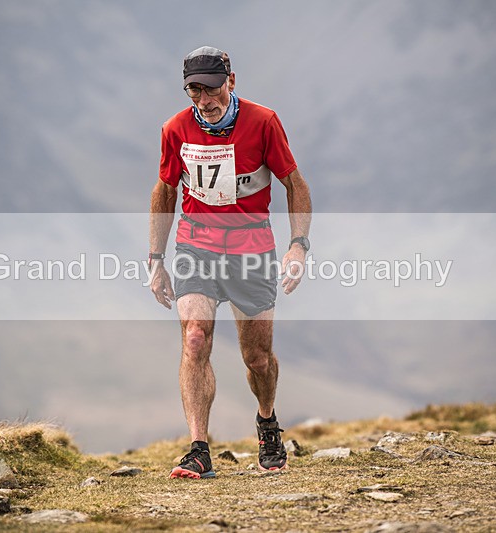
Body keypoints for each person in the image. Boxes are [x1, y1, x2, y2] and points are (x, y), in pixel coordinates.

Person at [148, 46, 312, 479]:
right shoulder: (175, 129)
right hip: (195, 247)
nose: (205, 99)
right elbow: (164, 192)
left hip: (251, 249)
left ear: (231, 82)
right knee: (195, 340)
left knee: (257, 358)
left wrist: (298, 245)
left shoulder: (264, 122)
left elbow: (294, 183)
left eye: (213, 88)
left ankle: (267, 421)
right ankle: (198, 449)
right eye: (195, 90)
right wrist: (155, 259)